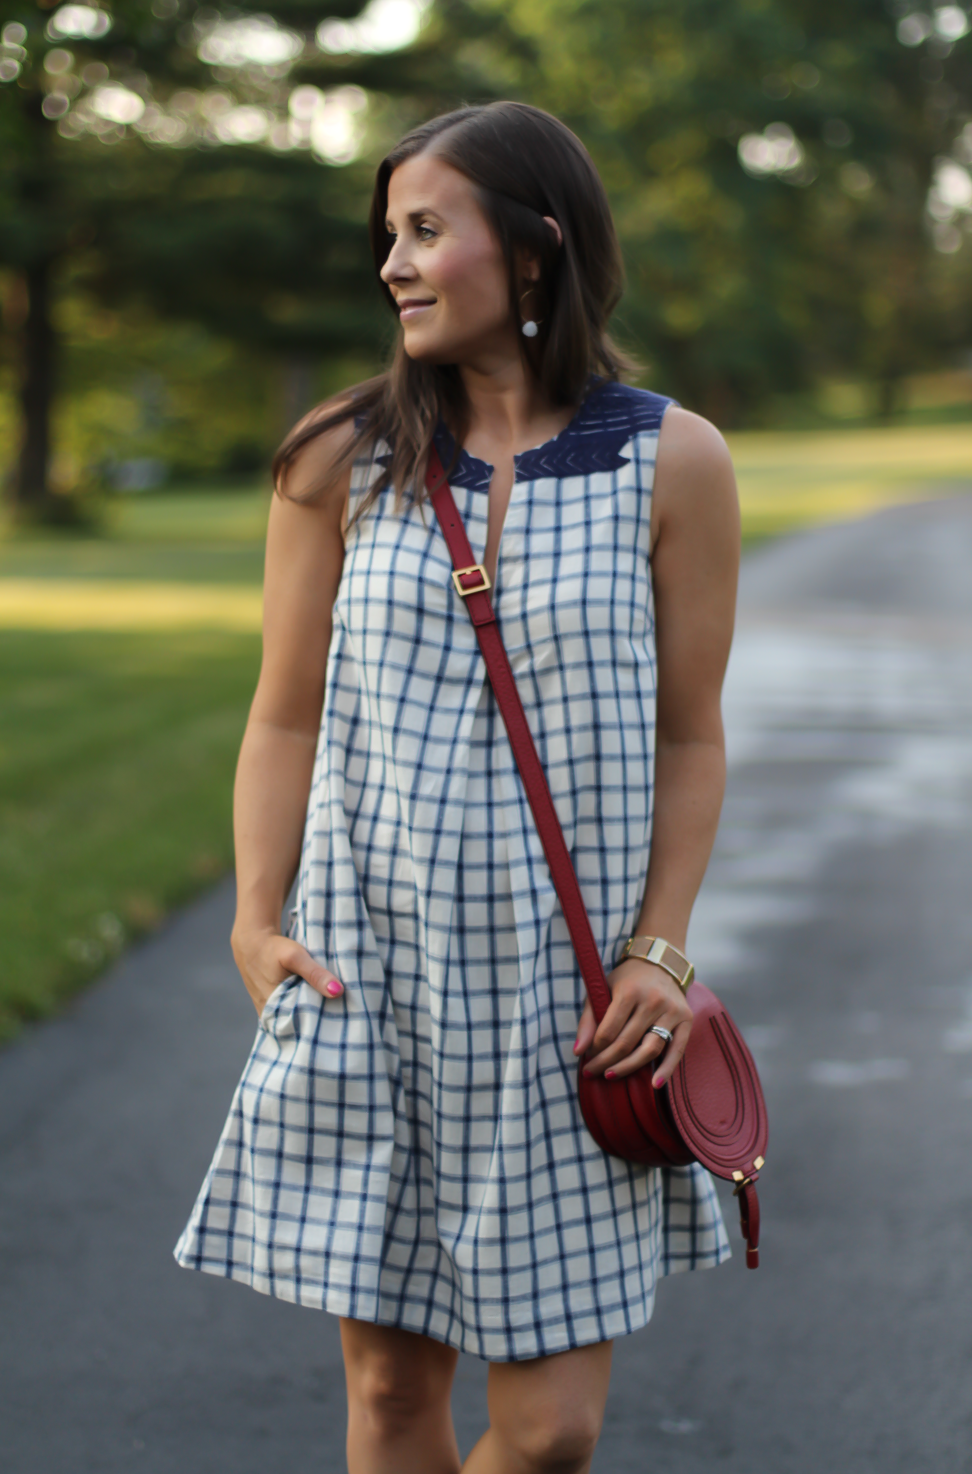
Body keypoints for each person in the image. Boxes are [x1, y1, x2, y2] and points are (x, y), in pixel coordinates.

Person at [175, 100, 740, 1474]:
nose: (394, 264)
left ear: (535, 253)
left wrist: (661, 948)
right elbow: (284, 714)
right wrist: (257, 920)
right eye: (390, 236)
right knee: (387, 1402)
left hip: (574, 1005)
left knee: (549, 1434)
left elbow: (691, 737)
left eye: (428, 230)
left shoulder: (673, 460)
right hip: (376, 979)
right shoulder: (338, 459)